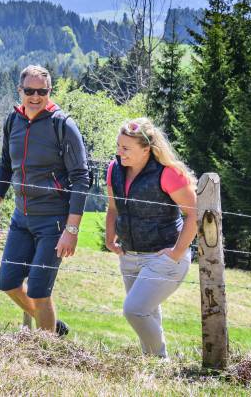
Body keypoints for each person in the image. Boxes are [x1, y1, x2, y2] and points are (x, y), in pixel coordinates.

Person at [0, 65, 89, 336]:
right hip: (21, 217)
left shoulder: (62, 125)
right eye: (29, 91)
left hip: (53, 221)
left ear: (49, 92)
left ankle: (45, 353)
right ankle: (52, 327)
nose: (35, 96)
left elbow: (81, 178)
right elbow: (6, 165)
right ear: (19, 91)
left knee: (40, 290)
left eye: (42, 91)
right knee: (8, 282)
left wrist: (72, 230)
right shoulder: (13, 121)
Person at [105, 117, 198, 358]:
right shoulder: (114, 170)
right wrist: (109, 238)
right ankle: (153, 367)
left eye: (126, 148)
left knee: (134, 310)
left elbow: (194, 214)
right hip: (129, 255)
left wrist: (177, 253)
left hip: (163, 256)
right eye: (118, 146)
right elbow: (113, 207)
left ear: (146, 149)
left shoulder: (167, 174)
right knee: (147, 312)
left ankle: (160, 360)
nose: (119, 152)